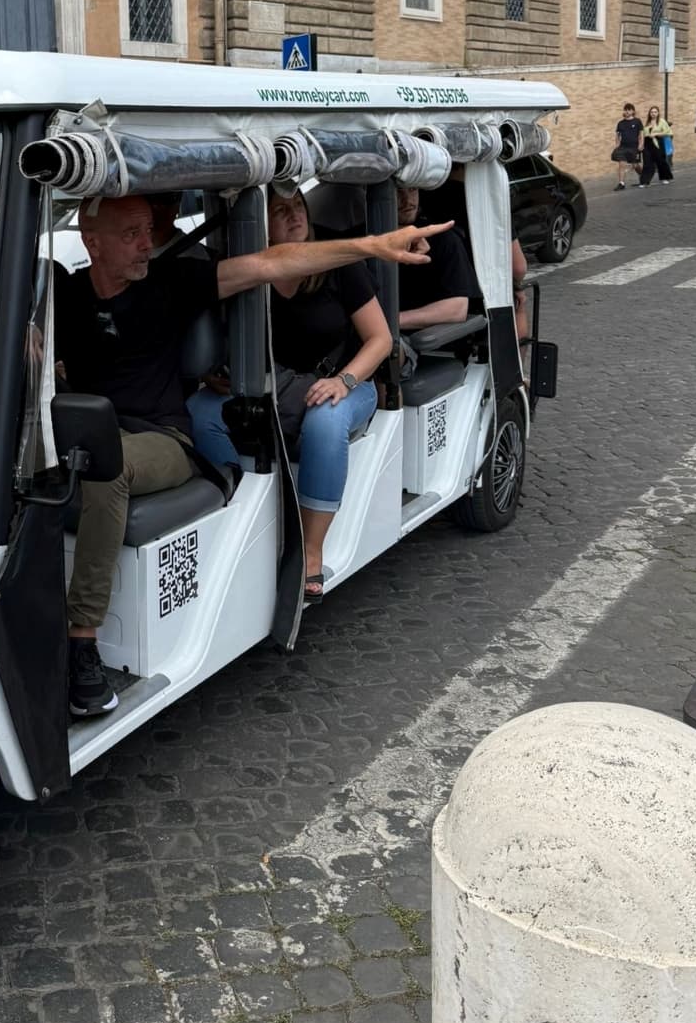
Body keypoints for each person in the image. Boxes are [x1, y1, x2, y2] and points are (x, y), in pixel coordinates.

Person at [54, 193, 452, 716]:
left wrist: (371, 245)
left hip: (163, 441)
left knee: (106, 466)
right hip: (84, 434)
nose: (147, 243)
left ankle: (80, 644)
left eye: (148, 230)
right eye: (131, 234)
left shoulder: (172, 283)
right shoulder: (67, 296)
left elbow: (271, 262)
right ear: (92, 243)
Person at [187, 187, 391, 607]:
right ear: (259, 226)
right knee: (200, 411)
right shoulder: (249, 272)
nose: (294, 215)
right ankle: (243, 514)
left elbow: (381, 339)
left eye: (298, 205)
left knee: (326, 419)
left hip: (349, 384)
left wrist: (346, 381)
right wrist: (221, 374)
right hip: (274, 388)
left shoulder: (339, 264)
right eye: (280, 211)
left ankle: (310, 550)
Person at [395, 184, 480, 331]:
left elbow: (456, 308)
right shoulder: (367, 239)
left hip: (419, 340)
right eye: (398, 192)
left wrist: (389, 322)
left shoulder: (443, 238)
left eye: (412, 189)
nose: (407, 200)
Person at [640, 106, 673, 186]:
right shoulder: (648, 122)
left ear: (658, 113)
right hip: (648, 143)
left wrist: (656, 134)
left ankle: (664, 178)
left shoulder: (662, 121)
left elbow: (668, 132)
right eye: (652, 112)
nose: (653, 114)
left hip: (658, 142)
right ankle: (645, 181)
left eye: (655, 112)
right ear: (649, 113)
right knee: (647, 162)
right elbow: (644, 134)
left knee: (660, 161)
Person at [612, 103, 643, 190]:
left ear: (633, 111)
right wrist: (617, 145)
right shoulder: (620, 123)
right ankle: (621, 183)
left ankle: (643, 176)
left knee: (635, 165)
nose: (627, 111)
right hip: (623, 147)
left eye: (629, 110)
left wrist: (641, 144)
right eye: (625, 110)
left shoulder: (637, 121)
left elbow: (641, 133)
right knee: (621, 164)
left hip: (634, 147)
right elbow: (617, 135)